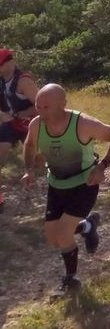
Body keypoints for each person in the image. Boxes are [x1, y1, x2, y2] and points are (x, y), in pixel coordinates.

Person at [21, 84, 110, 297]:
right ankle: (88, 226)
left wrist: (102, 166)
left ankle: (71, 279)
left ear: (63, 104)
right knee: (53, 237)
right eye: (38, 106)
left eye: (46, 107)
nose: (41, 111)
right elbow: (30, 145)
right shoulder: (36, 124)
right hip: (56, 184)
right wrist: (28, 169)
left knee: (63, 234)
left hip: (84, 184)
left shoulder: (83, 124)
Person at [0, 48, 38, 212]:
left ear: (9, 62)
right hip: (11, 124)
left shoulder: (24, 81)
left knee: (41, 158)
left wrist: (20, 114)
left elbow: (41, 106)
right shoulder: (1, 81)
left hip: (30, 124)